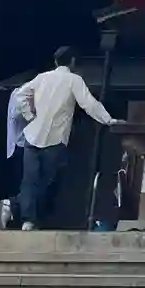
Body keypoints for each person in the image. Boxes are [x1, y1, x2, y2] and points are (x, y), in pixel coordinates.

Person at [12, 46, 114, 230]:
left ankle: (27, 218)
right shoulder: (73, 80)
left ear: (56, 61)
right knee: (48, 181)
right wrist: (109, 120)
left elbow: (20, 95)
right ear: (73, 62)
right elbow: (89, 104)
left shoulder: (42, 77)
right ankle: (25, 213)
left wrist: (30, 116)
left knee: (30, 180)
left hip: (33, 135)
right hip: (55, 138)